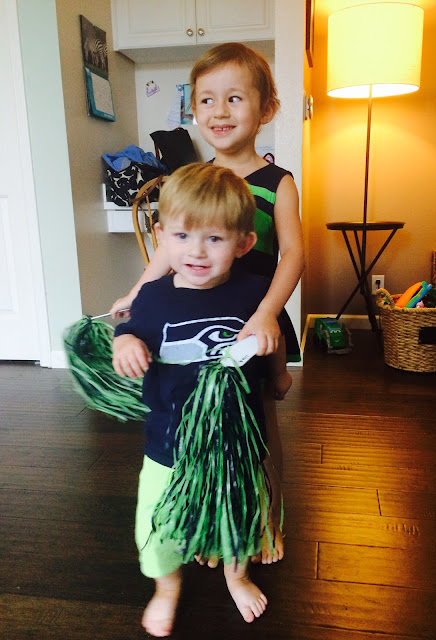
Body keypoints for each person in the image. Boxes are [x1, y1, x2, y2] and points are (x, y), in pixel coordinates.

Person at [110, 42, 305, 563]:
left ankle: (263, 520)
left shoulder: (277, 182)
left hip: (250, 318)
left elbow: (293, 255)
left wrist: (266, 313)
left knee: (258, 425)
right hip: (196, 317)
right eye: (207, 100)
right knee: (197, 424)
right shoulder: (191, 182)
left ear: (266, 108)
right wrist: (136, 292)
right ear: (193, 110)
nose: (219, 111)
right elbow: (167, 252)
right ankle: (208, 519)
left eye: (235, 98)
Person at [112, 163, 286, 637]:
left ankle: (237, 576)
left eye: (214, 238)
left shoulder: (255, 293)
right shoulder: (152, 298)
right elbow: (128, 330)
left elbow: (272, 336)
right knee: (155, 524)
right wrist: (125, 343)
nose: (197, 251)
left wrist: (279, 373)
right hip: (168, 443)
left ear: (243, 244)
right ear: (162, 237)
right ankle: (166, 588)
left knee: (239, 518)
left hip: (235, 443)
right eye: (183, 236)